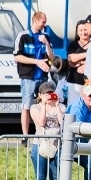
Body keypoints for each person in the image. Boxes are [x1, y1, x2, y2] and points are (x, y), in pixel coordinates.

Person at [14, 11, 55, 139]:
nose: (45, 24)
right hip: (28, 77)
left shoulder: (45, 37)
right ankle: (25, 136)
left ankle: (44, 133)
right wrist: (36, 62)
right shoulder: (23, 36)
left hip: (42, 77)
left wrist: (47, 44)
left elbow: (52, 58)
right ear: (35, 21)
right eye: (43, 21)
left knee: (46, 103)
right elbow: (17, 57)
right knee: (26, 106)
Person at [29, 81, 65, 180]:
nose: (49, 96)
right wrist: (44, 105)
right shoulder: (35, 108)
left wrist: (57, 106)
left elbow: (64, 124)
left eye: (51, 93)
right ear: (40, 95)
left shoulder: (61, 107)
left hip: (57, 147)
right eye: (46, 94)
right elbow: (41, 122)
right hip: (40, 146)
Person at [66, 19, 91, 107]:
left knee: (88, 106)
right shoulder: (73, 45)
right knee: (73, 107)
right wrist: (87, 54)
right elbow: (71, 58)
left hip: (89, 83)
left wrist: (83, 64)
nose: (83, 32)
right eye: (80, 30)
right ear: (77, 32)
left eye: (85, 30)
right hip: (74, 83)